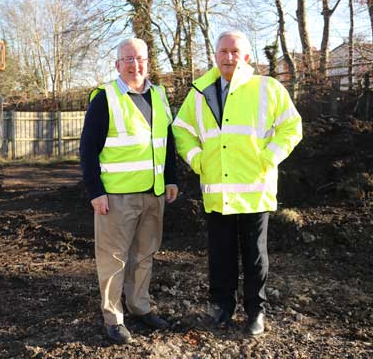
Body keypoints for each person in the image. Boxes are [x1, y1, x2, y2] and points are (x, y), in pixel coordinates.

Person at [172, 30, 302, 336]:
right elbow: (181, 130)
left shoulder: (267, 88)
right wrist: (198, 160)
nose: (228, 57)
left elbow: (291, 127)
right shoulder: (200, 91)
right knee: (221, 254)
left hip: (255, 189)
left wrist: (269, 157)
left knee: (255, 255)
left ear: (246, 57)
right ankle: (221, 308)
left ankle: (256, 311)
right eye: (223, 52)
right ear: (215, 56)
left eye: (234, 52)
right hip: (218, 190)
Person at [80, 37, 179, 345]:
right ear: (117, 64)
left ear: (148, 62)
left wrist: (172, 178)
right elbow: (87, 149)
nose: (135, 65)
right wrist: (95, 191)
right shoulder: (105, 98)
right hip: (116, 196)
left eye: (141, 59)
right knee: (113, 259)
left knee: (144, 254)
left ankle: (139, 306)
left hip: (154, 192)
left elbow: (168, 142)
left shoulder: (159, 95)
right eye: (128, 59)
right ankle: (114, 318)